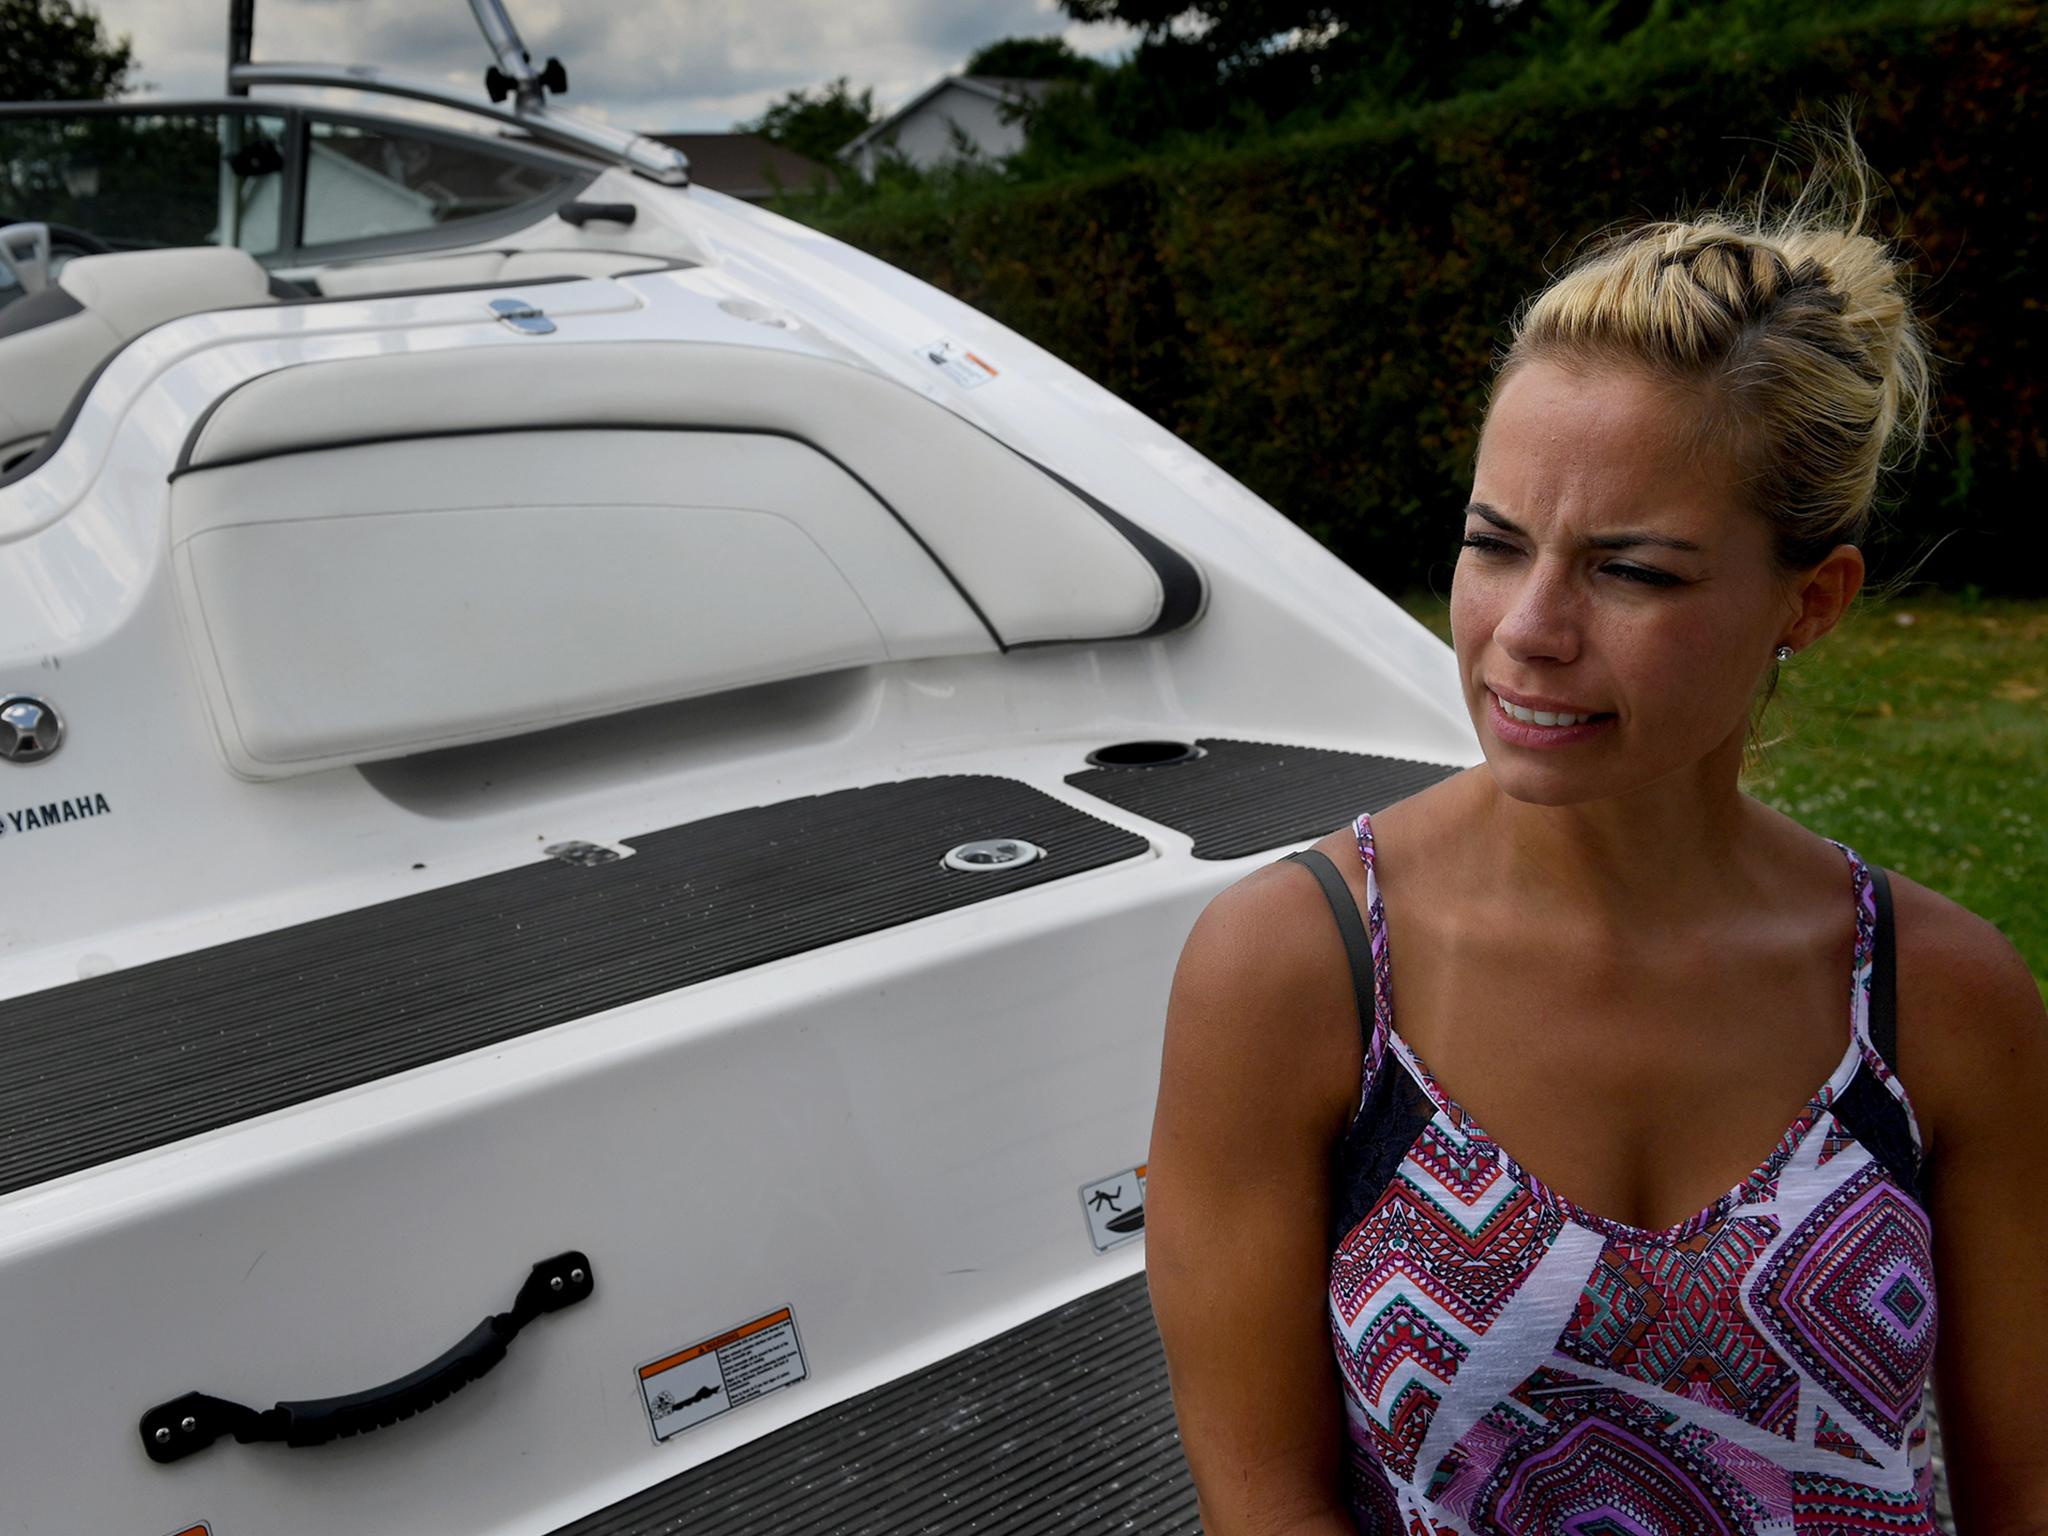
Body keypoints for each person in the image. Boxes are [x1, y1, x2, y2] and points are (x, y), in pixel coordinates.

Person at [1145, 125, 2048, 1535]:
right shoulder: (1293, 977)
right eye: (1494, 542)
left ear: (1811, 602)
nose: (1526, 632)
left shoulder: (1939, 999)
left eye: (1630, 570)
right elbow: (1266, 1503)